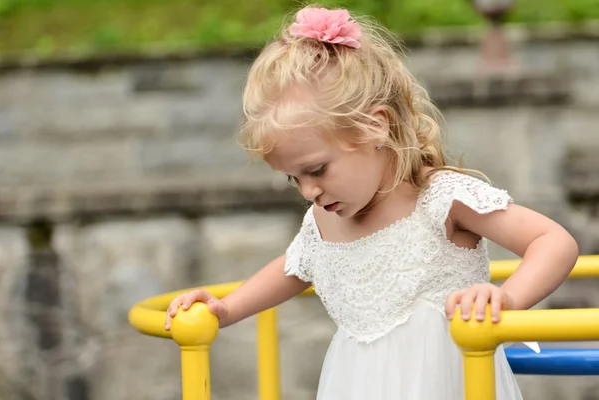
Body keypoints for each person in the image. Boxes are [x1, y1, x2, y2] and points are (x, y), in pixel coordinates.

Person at [165, 5, 579, 399]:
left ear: (375, 127)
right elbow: (294, 267)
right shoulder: (322, 222)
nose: (308, 191)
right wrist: (225, 309)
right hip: (357, 384)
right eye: (293, 178)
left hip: (447, 380)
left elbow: (553, 241)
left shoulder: (439, 198)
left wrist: (506, 300)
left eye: (318, 170)